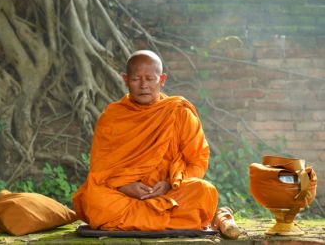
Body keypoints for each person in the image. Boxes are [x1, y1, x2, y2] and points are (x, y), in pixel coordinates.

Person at [73, 50, 239, 238]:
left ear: (162, 79)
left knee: (204, 191)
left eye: (150, 79)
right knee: (93, 199)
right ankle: (167, 222)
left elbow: (197, 160)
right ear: (126, 80)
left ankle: (135, 222)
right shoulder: (112, 118)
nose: (144, 85)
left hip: (169, 194)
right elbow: (100, 170)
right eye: (137, 79)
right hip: (124, 196)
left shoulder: (179, 113)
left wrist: (169, 184)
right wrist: (124, 187)